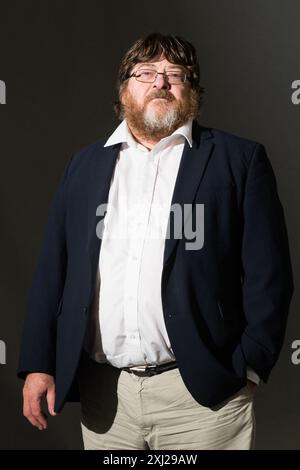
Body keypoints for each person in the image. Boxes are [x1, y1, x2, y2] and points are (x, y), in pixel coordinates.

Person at [18, 32, 294, 450]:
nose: (160, 83)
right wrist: (39, 365)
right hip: (106, 399)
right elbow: (53, 270)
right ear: (125, 88)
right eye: (146, 72)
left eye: (174, 74)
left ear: (192, 90)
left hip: (203, 397)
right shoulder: (85, 165)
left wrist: (249, 365)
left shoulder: (238, 160)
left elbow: (269, 274)